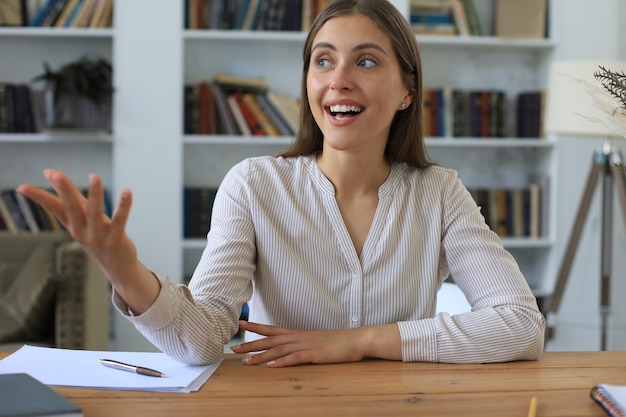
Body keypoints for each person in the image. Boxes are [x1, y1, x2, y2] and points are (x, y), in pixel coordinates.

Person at [17, 0, 545, 367]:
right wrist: (124, 269)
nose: (338, 79)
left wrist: (357, 343)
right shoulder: (253, 185)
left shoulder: (439, 193)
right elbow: (201, 339)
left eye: (365, 60)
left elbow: (521, 325)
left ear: (408, 91)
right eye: (323, 61)